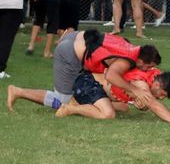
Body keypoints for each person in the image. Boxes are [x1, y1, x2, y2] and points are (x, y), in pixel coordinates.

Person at [7, 29, 161, 111]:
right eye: (148, 66)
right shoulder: (127, 60)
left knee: (84, 88)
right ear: (141, 60)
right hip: (70, 53)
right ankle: (18, 91)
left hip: (76, 38)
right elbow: (112, 77)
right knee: (63, 100)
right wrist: (134, 90)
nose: (148, 69)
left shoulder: (129, 47)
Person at [54, 66, 170, 124]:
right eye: (162, 95)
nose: (161, 98)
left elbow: (146, 104)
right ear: (158, 85)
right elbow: (154, 105)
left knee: (124, 107)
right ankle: (70, 108)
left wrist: (142, 106)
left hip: (91, 84)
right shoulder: (142, 85)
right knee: (108, 114)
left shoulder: (155, 73)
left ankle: (78, 103)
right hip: (87, 84)